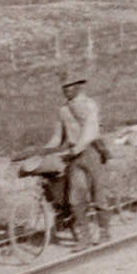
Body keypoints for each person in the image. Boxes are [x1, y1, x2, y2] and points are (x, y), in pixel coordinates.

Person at [45, 70, 109, 246]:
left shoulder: (90, 105)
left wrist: (77, 148)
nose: (66, 90)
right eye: (64, 87)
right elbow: (57, 136)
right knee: (76, 198)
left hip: (90, 152)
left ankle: (104, 232)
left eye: (70, 87)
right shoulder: (63, 110)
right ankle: (85, 237)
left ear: (78, 87)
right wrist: (44, 151)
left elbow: (90, 131)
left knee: (98, 194)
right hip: (74, 157)